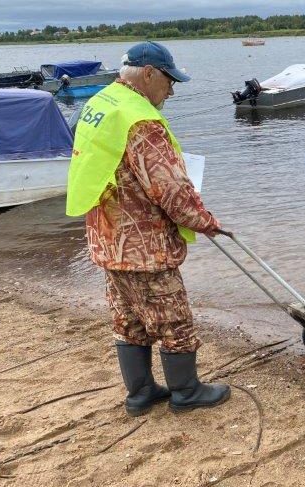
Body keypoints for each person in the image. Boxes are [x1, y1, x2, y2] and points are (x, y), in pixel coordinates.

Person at [66, 41, 232, 416]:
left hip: (108, 239)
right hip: (145, 244)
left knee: (128, 319)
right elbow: (171, 190)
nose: (171, 91)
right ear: (148, 74)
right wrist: (205, 222)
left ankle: (140, 394)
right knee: (174, 320)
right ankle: (186, 391)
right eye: (169, 81)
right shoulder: (141, 121)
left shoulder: (101, 103)